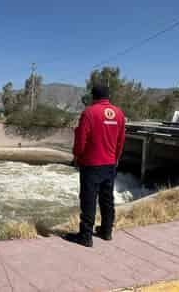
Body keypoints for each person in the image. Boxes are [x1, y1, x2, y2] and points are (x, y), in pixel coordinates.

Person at [65, 82, 125, 247]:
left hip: (91, 164)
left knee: (89, 199)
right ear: (108, 97)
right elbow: (121, 140)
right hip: (110, 163)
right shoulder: (119, 114)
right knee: (107, 199)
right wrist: (116, 158)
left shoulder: (89, 112)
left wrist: (77, 156)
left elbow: (81, 139)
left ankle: (85, 236)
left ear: (93, 96)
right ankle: (106, 231)